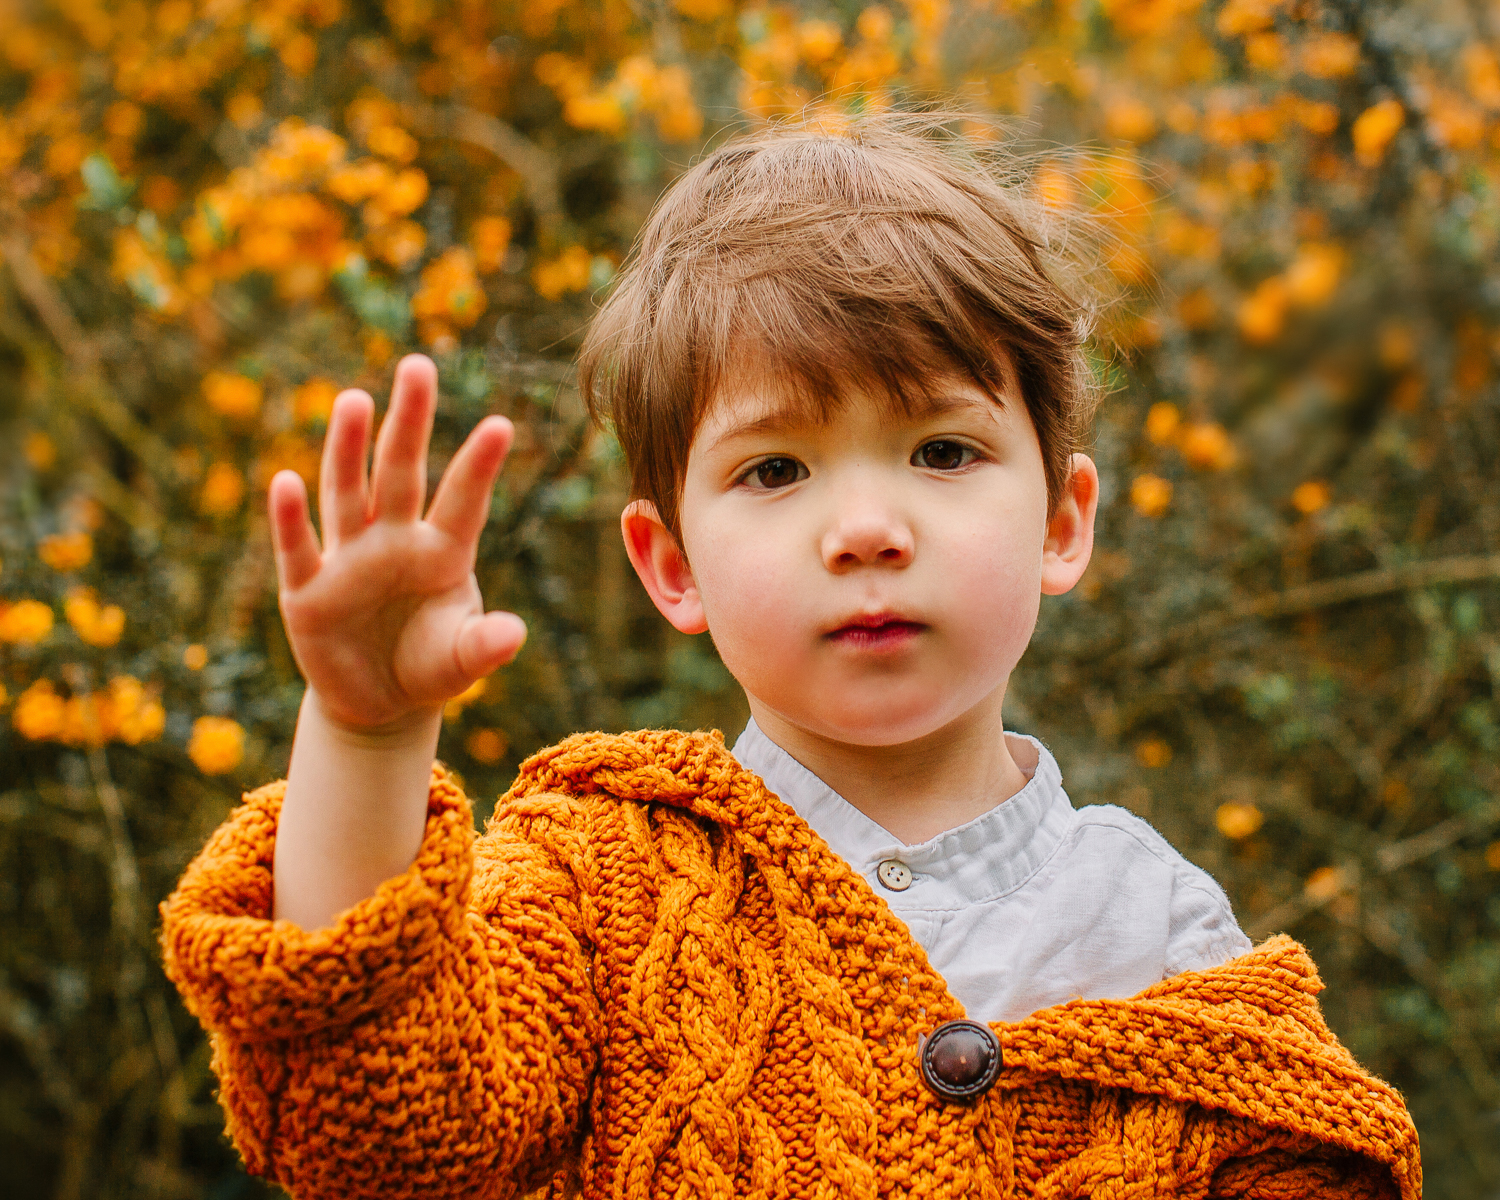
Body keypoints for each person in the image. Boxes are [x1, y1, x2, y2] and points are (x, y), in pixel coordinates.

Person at [160, 116, 1420, 1199]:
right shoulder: (606, 886)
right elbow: (381, 1141)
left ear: (1063, 520)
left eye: (942, 451)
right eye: (775, 469)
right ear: (672, 566)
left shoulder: (1164, 936)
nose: (867, 529)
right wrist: (367, 736)